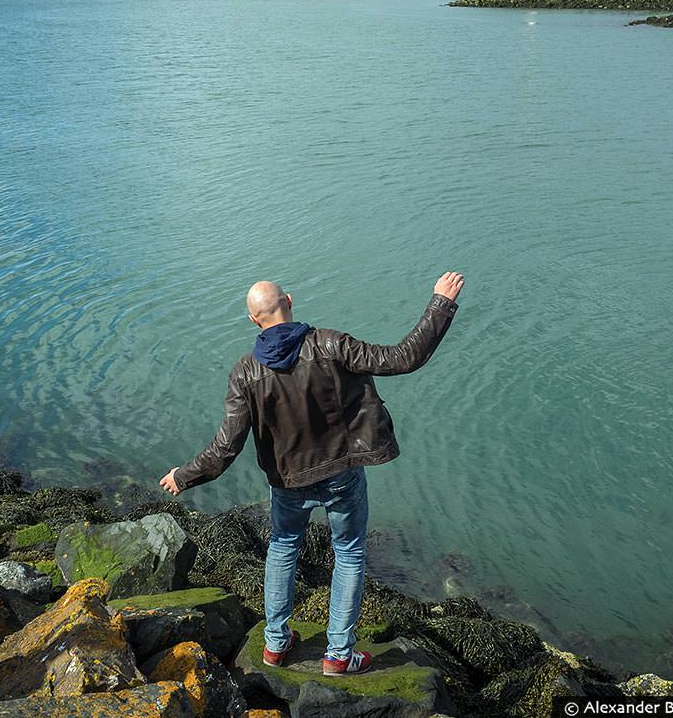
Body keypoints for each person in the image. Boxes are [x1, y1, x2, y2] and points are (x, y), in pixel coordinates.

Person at [159, 272, 465, 676]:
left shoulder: (245, 373)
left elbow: (226, 446)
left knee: (283, 549)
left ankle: (275, 644)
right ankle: (338, 654)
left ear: (254, 321)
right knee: (349, 554)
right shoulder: (330, 344)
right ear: (289, 300)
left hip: (288, 482)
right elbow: (402, 358)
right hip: (341, 473)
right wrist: (440, 304)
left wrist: (183, 476)